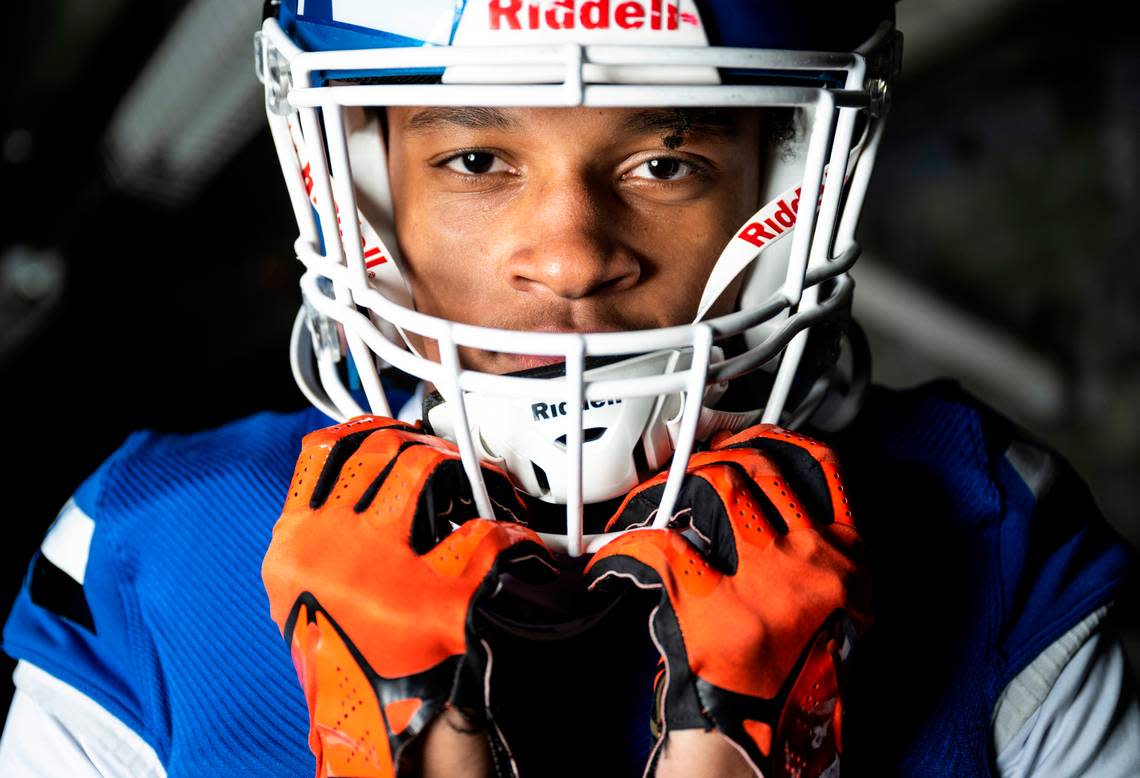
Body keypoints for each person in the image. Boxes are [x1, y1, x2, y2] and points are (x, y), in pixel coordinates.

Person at [1, 1, 1137, 776]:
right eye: (478, 161)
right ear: (359, 186)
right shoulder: (149, 556)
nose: (573, 253)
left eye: (664, 162)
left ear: (782, 183)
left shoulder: (990, 532)